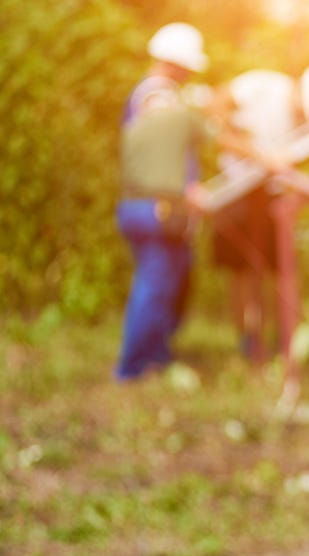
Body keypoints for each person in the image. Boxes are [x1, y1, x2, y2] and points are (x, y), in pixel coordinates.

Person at [209, 65, 309, 360]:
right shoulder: (263, 86)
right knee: (243, 267)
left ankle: (280, 337)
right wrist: (255, 153)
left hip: (273, 193)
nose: (302, 117)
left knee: (278, 266)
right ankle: (247, 339)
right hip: (238, 187)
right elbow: (215, 113)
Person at [114, 22, 209, 380]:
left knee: (172, 279)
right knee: (155, 284)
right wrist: (185, 189)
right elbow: (161, 157)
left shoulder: (153, 96)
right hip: (153, 207)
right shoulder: (157, 98)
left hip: (156, 206)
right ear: (175, 62)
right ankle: (131, 368)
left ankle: (155, 355)